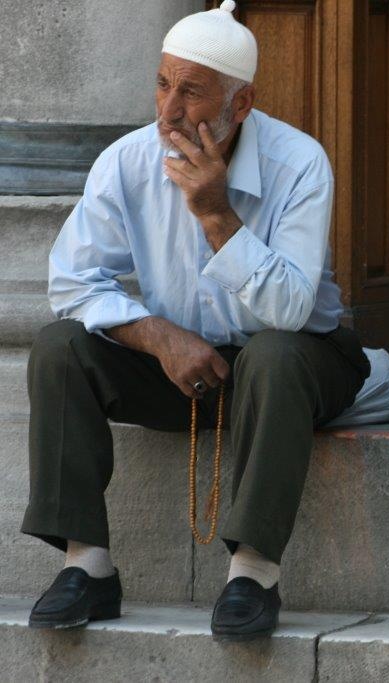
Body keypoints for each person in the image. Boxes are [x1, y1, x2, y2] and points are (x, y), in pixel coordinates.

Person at [21, 1, 369, 640]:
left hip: (298, 365)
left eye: (192, 92)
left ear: (241, 105)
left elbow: (291, 310)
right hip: (184, 369)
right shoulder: (127, 161)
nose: (168, 110)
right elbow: (71, 281)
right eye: (162, 84)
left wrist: (216, 215)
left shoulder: (300, 163)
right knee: (58, 347)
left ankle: (252, 572)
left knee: (274, 353)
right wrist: (158, 337)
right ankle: (88, 568)